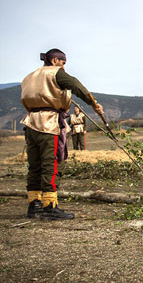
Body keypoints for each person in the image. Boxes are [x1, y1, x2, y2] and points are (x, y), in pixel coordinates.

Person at [21, 48, 103, 220]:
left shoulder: (30, 76)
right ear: (54, 60)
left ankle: (33, 204)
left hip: (30, 123)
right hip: (49, 123)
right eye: (63, 62)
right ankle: (49, 206)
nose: (64, 66)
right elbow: (76, 85)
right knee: (51, 164)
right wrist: (94, 104)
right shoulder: (56, 73)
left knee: (34, 165)